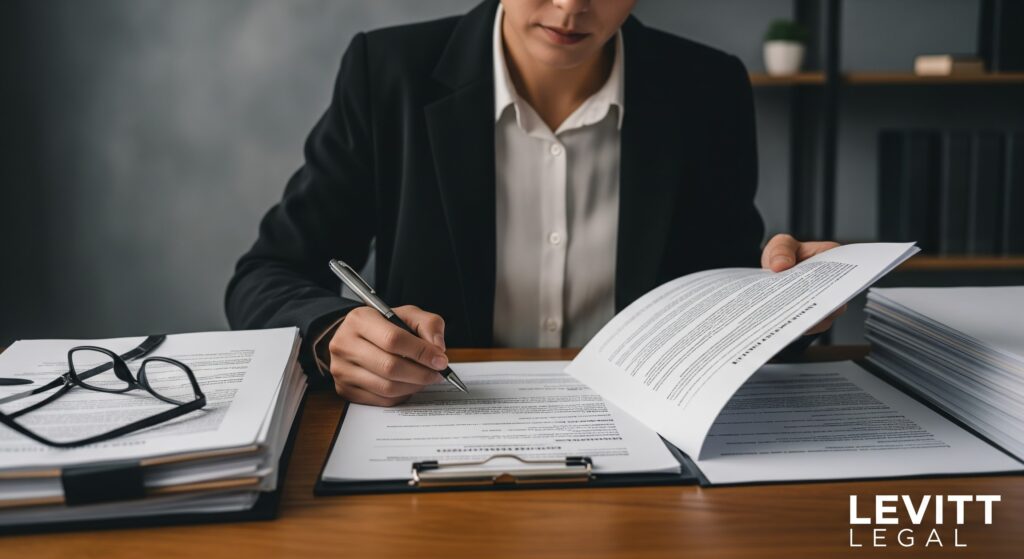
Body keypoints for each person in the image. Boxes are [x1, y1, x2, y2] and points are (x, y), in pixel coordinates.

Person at [226, 0, 844, 407]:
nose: (572, 7)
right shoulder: (387, 72)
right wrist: (330, 331)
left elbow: (725, 306)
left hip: (649, 445)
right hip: (438, 436)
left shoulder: (707, 88)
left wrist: (793, 299)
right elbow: (266, 275)